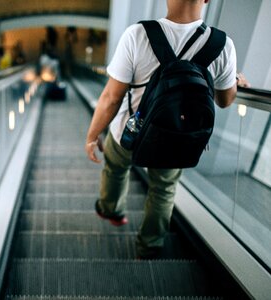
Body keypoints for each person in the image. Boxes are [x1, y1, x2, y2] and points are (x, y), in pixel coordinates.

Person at [85, 0, 239, 259]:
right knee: (163, 190)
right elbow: (224, 101)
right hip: (176, 138)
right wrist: (234, 80)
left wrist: (92, 136)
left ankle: (111, 210)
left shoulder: (138, 34)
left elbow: (111, 97)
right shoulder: (223, 45)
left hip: (128, 133)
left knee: (115, 168)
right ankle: (150, 246)